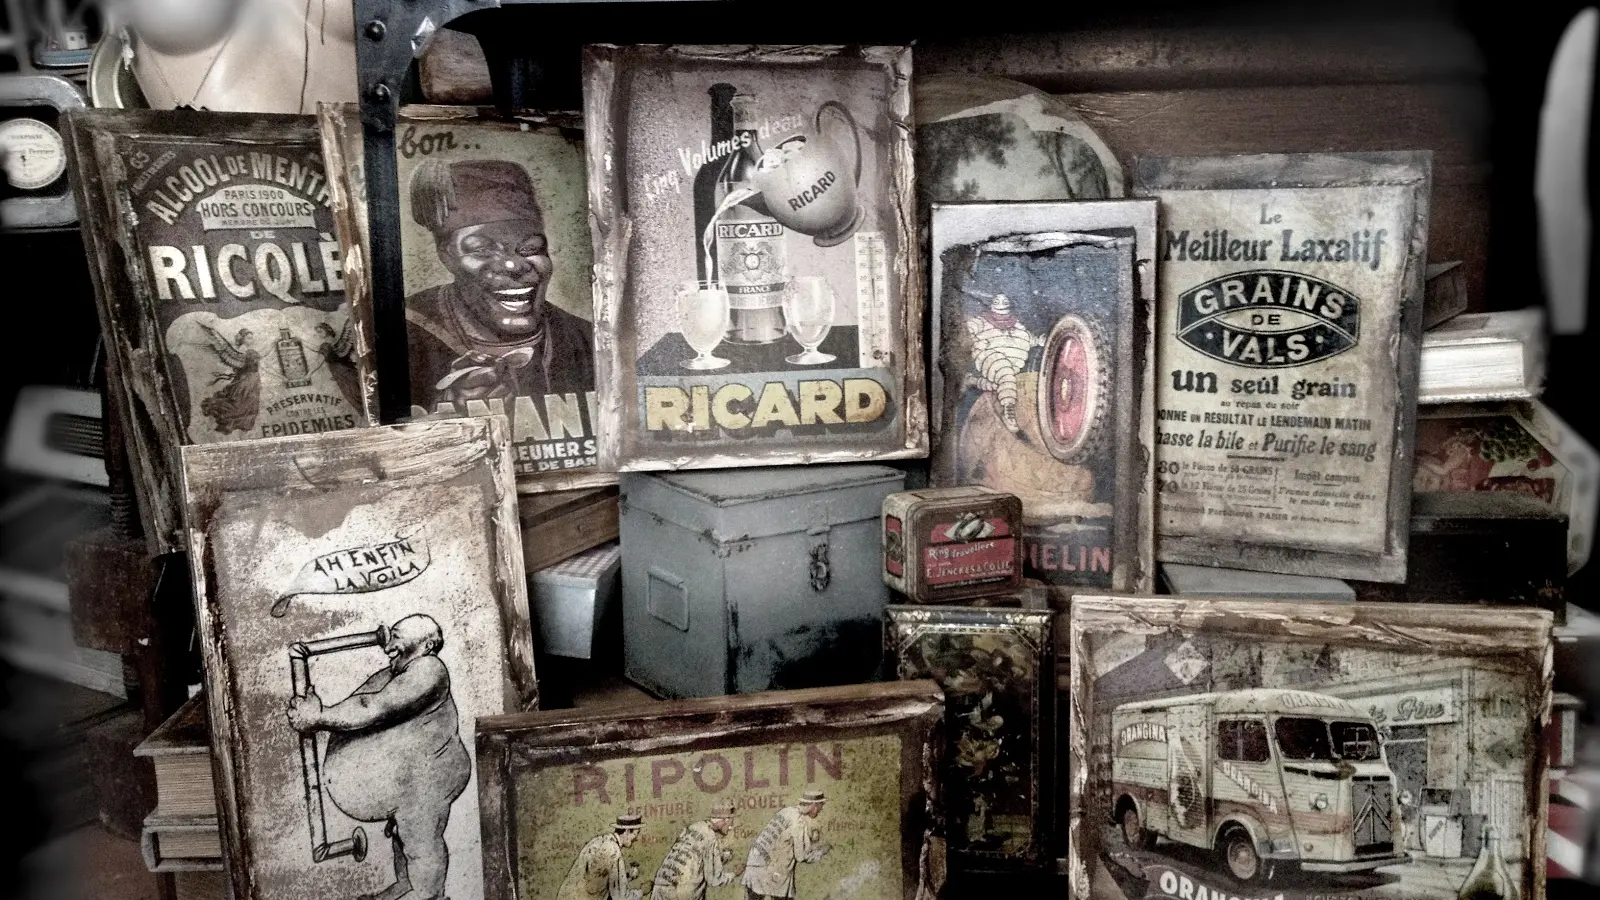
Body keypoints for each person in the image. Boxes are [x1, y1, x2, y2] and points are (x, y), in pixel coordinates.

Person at [286, 615, 470, 900]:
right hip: (410, 782)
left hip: (430, 776)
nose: (388, 646)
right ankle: (406, 886)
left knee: (420, 840)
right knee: (403, 835)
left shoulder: (429, 669)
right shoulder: (401, 672)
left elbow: (373, 706)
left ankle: (430, 895)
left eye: (397, 637)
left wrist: (319, 717)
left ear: (426, 645)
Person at [405, 159, 595, 410]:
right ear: (446, 256)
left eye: (530, 248)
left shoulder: (585, 340)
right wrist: (447, 415)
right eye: (482, 249)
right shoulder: (403, 335)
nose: (513, 265)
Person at [742, 790, 829, 900]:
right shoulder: (798, 822)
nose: (821, 809)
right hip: (772, 871)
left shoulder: (787, 811)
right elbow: (801, 856)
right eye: (821, 805)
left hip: (754, 864)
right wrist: (820, 852)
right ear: (814, 806)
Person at [651, 803, 742, 900]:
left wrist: (720, 857)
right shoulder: (710, 837)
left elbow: (691, 857)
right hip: (681, 892)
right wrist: (734, 874)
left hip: (660, 885)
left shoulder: (693, 827)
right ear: (724, 820)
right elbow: (714, 880)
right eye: (730, 823)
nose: (731, 827)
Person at [560, 814, 646, 900]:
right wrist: (642, 891)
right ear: (627, 831)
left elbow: (598, 879)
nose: (637, 838)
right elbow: (621, 897)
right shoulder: (613, 851)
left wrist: (628, 876)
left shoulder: (599, 841)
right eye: (636, 833)